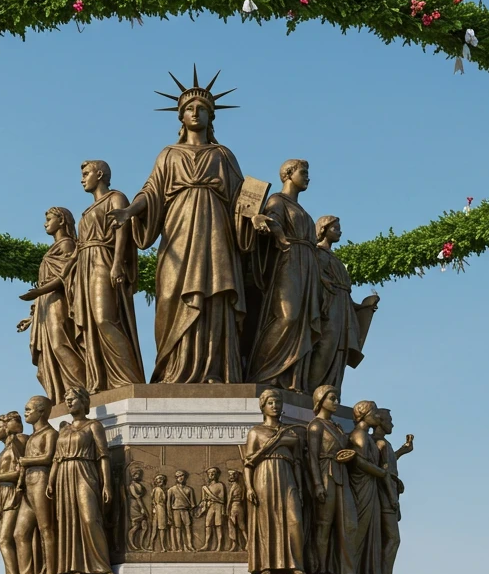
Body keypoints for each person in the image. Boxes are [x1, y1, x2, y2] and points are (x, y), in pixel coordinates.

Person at [108, 69, 258, 384]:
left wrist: (253, 216)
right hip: (177, 229)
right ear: (180, 117)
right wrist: (129, 211)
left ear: (211, 116)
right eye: (189, 109)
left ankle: (214, 370)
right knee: (170, 294)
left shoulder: (222, 155)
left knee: (214, 297)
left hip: (216, 230)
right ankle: (171, 370)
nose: (195, 113)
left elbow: (242, 197)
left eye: (201, 108)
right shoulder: (168, 155)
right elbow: (150, 191)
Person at [246, 159, 321, 391]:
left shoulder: (303, 210)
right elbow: (271, 220)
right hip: (288, 261)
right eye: (303, 172)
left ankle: (291, 378)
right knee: (287, 316)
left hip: (307, 266)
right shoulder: (277, 200)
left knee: (301, 321)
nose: (307, 177)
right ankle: (262, 372)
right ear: (288, 174)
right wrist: (272, 230)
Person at [71, 160, 145, 390]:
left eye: (86, 174)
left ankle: (128, 379)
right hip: (84, 265)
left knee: (105, 318)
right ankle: (101, 381)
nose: (82, 178)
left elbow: (122, 229)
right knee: (92, 323)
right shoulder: (86, 211)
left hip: (103, 258)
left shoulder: (116, 198)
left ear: (100, 174)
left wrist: (117, 263)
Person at [18, 207, 86, 402]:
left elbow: (65, 276)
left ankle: (81, 391)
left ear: (62, 220)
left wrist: (39, 291)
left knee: (60, 345)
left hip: (58, 302)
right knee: (45, 355)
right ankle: (62, 396)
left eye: (49, 219)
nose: (45, 223)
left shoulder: (67, 246)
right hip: (44, 306)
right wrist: (32, 317)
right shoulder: (54, 248)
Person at [308, 215, 379, 396]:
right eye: (335, 228)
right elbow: (313, 282)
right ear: (323, 229)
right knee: (326, 346)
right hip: (327, 307)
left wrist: (363, 306)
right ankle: (313, 391)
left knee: (340, 351)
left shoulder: (335, 258)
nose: (339, 231)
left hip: (342, 308)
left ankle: (332, 392)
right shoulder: (316, 253)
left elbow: (345, 295)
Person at [48, 386, 113, 574]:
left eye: (73, 398)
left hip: (85, 470)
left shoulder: (93, 426)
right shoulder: (63, 428)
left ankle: (102, 565)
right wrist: (51, 481)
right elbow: (56, 458)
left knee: (90, 518)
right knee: (68, 520)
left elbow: (103, 455)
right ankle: (74, 566)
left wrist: (107, 484)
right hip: (64, 475)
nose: (68, 402)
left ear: (84, 401)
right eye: (66, 399)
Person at [243, 389, 307, 574]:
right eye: (270, 402)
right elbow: (248, 463)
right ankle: (266, 565)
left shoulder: (291, 432)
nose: (275, 406)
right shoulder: (256, 432)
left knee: (295, 520)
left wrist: (300, 488)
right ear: (263, 406)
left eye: (277, 402)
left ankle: (296, 564)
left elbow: (297, 463)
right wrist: (248, 487)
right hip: (264, 475)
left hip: (287, 475)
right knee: (267, 519)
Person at [306, 385, 358, 574]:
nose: (336, 402)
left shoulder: (337, 426)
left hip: (341, 474)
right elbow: (312, 456)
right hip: (325, 473)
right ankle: (322, 567)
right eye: (332, 399)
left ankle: (345, 568)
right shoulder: (315, 425)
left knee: (348, 522)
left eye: (337, 399)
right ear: (320, 400)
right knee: (324, 523)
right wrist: (318, 483)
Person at [13, 396, 59, 574]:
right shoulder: (31, 437)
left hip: (41, 478)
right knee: (19, 533)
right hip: (28, 484)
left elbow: (49, 457)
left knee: (45, 527)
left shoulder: (50, 433)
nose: (26, 413)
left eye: (29, 409)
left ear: (41, 411)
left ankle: (51, 570)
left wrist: (24, 461)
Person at [347, 400, 388, 574]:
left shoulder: (367, 437)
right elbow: (360, 462)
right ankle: (352, 567)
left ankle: (364, 568)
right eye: (375, 413)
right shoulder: (360, 436)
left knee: (370, 527)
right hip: (361, 485)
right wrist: (380, 472)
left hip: (369, 484)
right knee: (361, 526)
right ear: (364, 414)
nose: (377, 416)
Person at [0, 411, 29, 574]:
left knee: (4, 539)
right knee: (2, 540)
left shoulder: (18, 444)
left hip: (13, 494)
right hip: (2, 495)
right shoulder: (4, 451)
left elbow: (20, 473)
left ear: (7, 427)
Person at [373, 409, 414, 574]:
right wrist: (392, 498)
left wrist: (401, 451)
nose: (392, 424)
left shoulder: (382, 444)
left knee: (387, 537)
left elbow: (387, 463)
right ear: (379, 421)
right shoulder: (380, 443)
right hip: (385, 496)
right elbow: (384, 473)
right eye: (389, 420)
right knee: (392, 537)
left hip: (387, 493)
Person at [197, 467, 227, 553]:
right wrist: (205, 502)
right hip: (210, 507)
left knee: (218, 526)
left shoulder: (220, 485)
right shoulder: (206, 487)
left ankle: (219, 545)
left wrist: (211, 496)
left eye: (213, 472)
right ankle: (207, 544)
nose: (211, 474)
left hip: (218, 506)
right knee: (208, 525)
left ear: (217, 474)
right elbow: (203, 500)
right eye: (209, 473)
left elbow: (222, 500)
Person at [167, 470, 197, 552]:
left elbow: (192, 503)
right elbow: (168, 504)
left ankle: (190, 545)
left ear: (185, 477)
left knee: (188, 528)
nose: (180, 478)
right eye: (178, 476)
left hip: (186, 511)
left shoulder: (189, 489)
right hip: (175, 511)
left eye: (181, 476)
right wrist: (169, 515)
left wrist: (192, 509)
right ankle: (180, 547)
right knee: (178, 528)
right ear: (176, 478)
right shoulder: (171, 490)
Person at [125, 468, 149, 551]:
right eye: (136, 474)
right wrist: (143, 508)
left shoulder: (140, 485)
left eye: (139, 474)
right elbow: (137, 497)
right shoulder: (132, 486)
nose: (138, 475)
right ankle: (131, 545)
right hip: (134, 506)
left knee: (144, 526)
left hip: (140, 505)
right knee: (136, 526)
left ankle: (142, 545)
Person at [225, 470, 247, 552]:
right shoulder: (241, 486)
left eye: (231, 475)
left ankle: (235, 545)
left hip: (234, 507)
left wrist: (227, 510)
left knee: (232, 526)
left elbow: (230, 499)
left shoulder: (234, 486)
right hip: (240, 506)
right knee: (241, 526)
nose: (230, 477)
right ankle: (247, 542)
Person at [150, 474, 169, 552]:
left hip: (162, 508)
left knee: (160, 528)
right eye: (158, 479)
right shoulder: (157, 489)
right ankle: (156, 546)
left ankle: (160, 546)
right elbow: (155, 501)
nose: (160, 480)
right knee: (159, 528)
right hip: (159, 508)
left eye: (162, 479)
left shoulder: (164, 489)